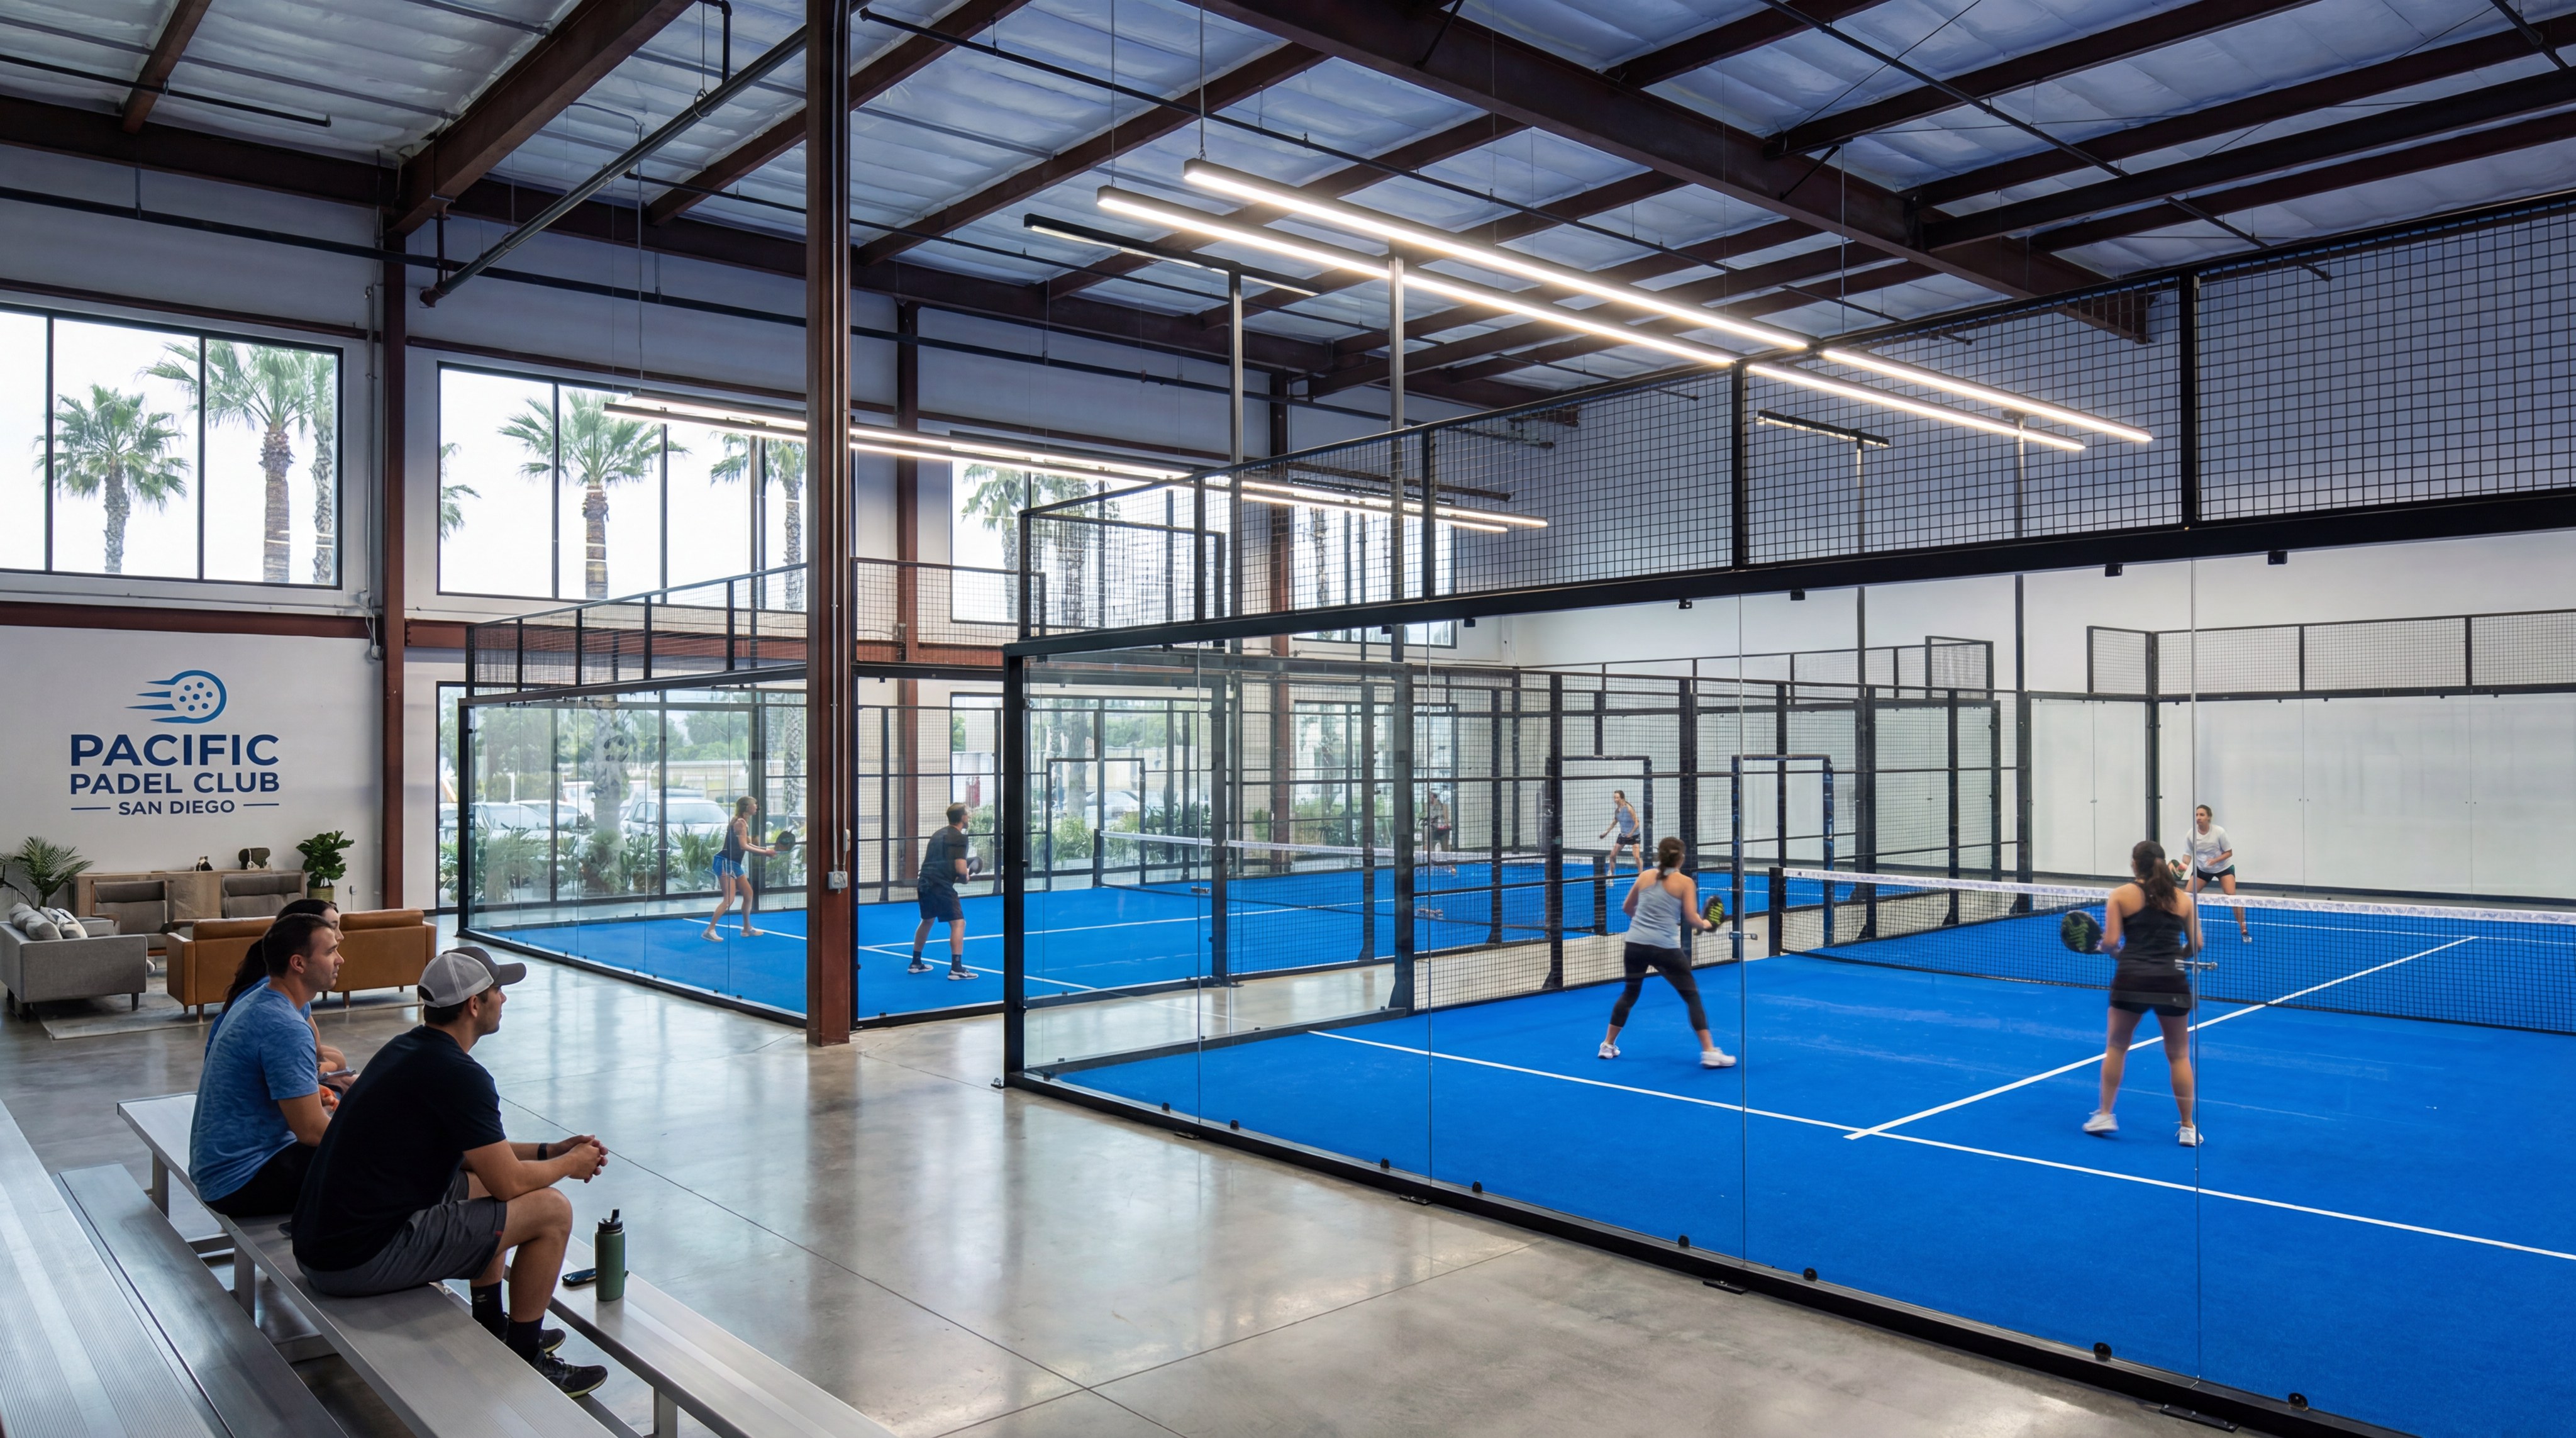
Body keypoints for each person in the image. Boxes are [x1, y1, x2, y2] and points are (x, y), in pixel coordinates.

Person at [292, 948, 611, 1397]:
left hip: (324, 1244)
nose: (505, 999)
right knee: (551, 1211)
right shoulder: (461, 1075)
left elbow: (480, 1155)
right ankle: (525, 1356)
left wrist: (547, 1150)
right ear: (474, 1005)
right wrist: (569, 1165)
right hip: (355, 1260)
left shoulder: (408, 1049)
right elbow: (510, 1183)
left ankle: (490, 1323)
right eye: (497, 990)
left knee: (482, 1187)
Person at [190, 913, 342, 1218]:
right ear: (298, 963)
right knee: (385, 1167)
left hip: (221, 1168)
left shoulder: (261, 998)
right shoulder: (284, 1026)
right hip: (241, 1180)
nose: (340, 959)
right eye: (329, 952)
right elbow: (311, 1132)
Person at [2085, 840, 2204, 1147]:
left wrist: (2109, 950)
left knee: (2117, 1047)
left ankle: (2105, 1114)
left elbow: (2111, 943)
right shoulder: (2183, 900)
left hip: (2131, 980)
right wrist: (2179, 953)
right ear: (2163, 864)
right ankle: (2188, 1127)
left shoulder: (2121, 896)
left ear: (2135, 865)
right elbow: (2197, 945)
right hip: (2172, 982)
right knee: (2178, 1055)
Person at [1599, 837, 1733, 1069]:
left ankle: (1607, 1045)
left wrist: (1644, 924)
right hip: (1665, 949)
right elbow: (1693, 920)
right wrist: (1709, 925)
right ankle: (1710, 1052)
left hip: (1635, 944)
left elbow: (1627, 908)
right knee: (1691, 996)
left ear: (1659, 856)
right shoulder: (1685, 882)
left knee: (1630, 994)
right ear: (1681, 858)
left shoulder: (1645, 876)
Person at [211, 897, 348, 1095]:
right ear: (298, 961)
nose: (340, 937)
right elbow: (311, 1125)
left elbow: (314, 1053)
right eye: (331, 929)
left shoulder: (275, 995)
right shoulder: (282, 1021)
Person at [909, 804, 974, 979]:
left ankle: (916, 963)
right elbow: (961, 870)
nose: (969, 817)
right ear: (963, 818)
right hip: (941, 885)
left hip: (924, 882)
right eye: (968, 814)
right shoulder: (960, 838)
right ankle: (957, 969)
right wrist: (966, 876)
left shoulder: (938, 834)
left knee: (927, 920)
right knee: (958, 923)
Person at [702, 796, 778, 942]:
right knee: (729, 899)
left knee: (748, 894)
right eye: (754, 804)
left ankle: (746, 928)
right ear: (747, 807)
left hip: (734, 864)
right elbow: (744, 846)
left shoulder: (743, 822)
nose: (757, 806)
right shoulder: (740, 823)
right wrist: (766, 853)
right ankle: (709, 930)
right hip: (725, 862)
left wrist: (765, 849)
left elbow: (745, 844)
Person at [2186, 805, 2248, 943]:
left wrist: (2215, 861)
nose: (2198, 818)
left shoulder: (2219, 832)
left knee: (2232, 897)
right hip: (2202, 869)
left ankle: (2242, 925)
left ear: (2209, 817)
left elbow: (2229, 852)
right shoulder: (2191, 834)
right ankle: (2191, 929)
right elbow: (2187, 855)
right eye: (2197, 815)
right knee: (2188, 896)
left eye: (2202, 815)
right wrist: (2182, 867)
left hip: (2223, 868)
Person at [1597, 790, 1641, 871]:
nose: (1615, 800)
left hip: (1634, 835)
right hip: (1624, 835)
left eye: (1617, 798)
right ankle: (1611, 875)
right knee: (1612, 855)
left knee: (1637, 857)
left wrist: (1631, 833)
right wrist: (1606, 832)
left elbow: (1637, 823)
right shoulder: (1617, 811)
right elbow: (1614, 823)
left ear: (1622, 798)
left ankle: (1640, 875)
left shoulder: (1629, 808)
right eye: (1614, 798)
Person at [1423, 787, 1454, 876]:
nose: (1430, 798)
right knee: (1429, 848)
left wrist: (1447, 826)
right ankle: (1429, 865)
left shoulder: (1443, 805)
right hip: (1433, 829)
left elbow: (1446, 817)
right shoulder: (1427, 805)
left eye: (1431, 795)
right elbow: (1428, 816)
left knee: (1445, 849)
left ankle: (1450, 866)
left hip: (1443, 829)